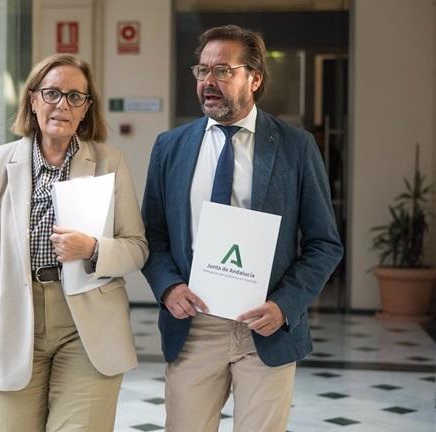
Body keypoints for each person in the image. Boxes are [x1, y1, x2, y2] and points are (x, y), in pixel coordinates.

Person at [141, 25, 343, 432]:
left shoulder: (295, 146)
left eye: (221, 71)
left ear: (254, 78)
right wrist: (168, 287)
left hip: (265, 326)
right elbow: (153, 235)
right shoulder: (170, 146)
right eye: (201, 71)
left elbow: (325, 244)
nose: (208, 82)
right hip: (194, 325)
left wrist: (284, 306)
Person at [0, 53, 148, 432]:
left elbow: (137, 246)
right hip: (15, 320)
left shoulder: (110, 162)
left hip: (88, 325)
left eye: (75, 97)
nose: (62, 105)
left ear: (86, 109)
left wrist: (94, 249)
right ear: (32, 99)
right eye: (52, 93)